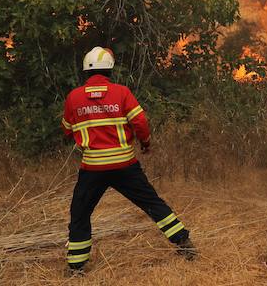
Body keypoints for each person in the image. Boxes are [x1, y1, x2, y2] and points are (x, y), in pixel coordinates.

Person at [62, 46, 197, 273]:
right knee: (152, 203)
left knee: (80, 213)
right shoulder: (122, 92)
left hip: (93, 168)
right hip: (125, 165)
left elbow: (67, 129)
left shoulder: (73, 97)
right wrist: (145, 143)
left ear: (85, 71)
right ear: (110, 71)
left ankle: (76, 266)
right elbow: (140, 122)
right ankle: (184, 244)